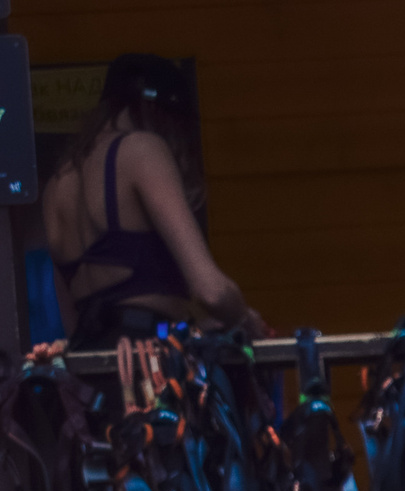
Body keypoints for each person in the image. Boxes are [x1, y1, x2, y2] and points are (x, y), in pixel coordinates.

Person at [41, 54, 266, 349]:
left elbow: (73, 320)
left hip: (89, 367)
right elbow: (211, 291)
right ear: (157, 110)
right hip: (148, 369)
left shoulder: (55, 185)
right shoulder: (141, 150)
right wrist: (245, 319)